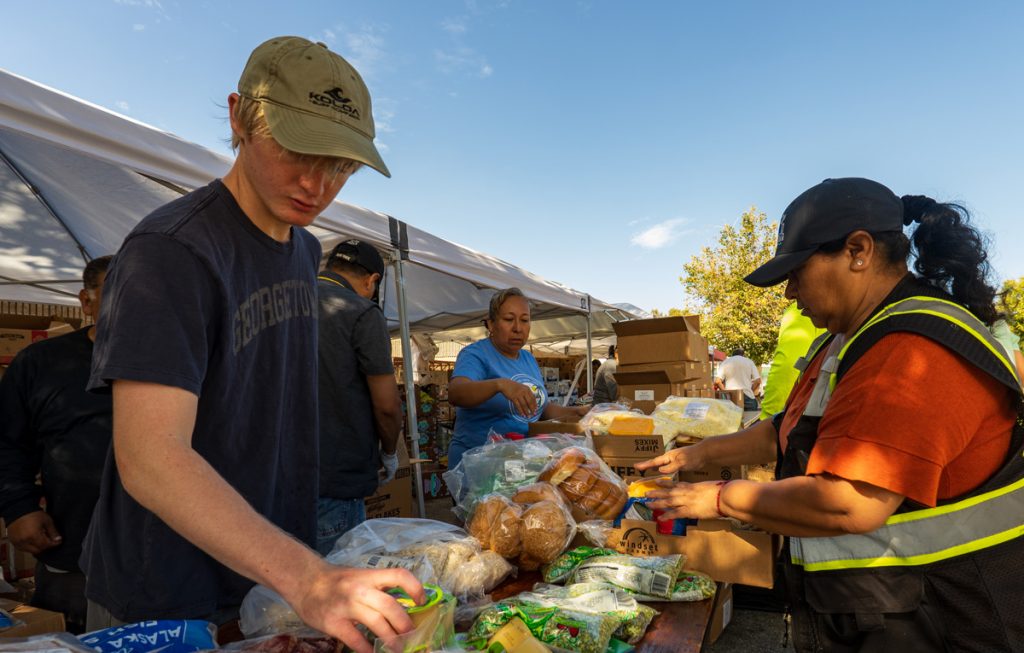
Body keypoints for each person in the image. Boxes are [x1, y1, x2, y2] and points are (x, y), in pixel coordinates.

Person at [79, 36, 422, 651]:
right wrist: (308, 577)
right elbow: (150, 458)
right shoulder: (173, 251)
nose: (318, 182)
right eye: (296, 148)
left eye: (342, 164)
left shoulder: (305, 250)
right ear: (239, 117)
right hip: (168, 592)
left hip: (264, 574)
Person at [637, 177, 1024, 652]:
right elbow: (785, 430)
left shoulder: (909, 349)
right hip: (880, 608)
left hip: (942, 616)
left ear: (857, 251)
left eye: (795, 274)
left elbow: (849, 501)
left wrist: (718, 499)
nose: (789, 294)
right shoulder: (849, 338)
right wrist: (694, 455)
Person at [0, 256, 113, 633]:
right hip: (72, 556)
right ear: (87, 301)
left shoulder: (186, 361)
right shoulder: (41, 363)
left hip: (174, 558)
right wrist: (18, 508)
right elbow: (7, 442)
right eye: (119, 292)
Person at [316, 239, 401, 555]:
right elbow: (387, 406)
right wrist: (390, 453)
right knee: (337, 589)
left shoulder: (285, 300)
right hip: (335, 480)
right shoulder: (362, 312)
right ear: (372, 281)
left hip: (274, 479)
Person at [446, 288, 588, 469]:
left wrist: (577, 412)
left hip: (519, 465)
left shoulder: (528, 358)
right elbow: (456, 393)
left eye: (524, 320)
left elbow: (541, 409)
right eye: (508, 319)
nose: (518, 328)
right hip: (479, 467)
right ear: (491, 324)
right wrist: (500, 385)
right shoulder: (475, 354)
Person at [759, 303, 826, 419]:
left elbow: (788, 367)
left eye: (798, 283)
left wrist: (770, 418)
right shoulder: (858, 317)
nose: (789, 293)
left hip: (805, 418)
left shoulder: (805, 309)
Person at [714, 347, 762, 412]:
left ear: (732, 355)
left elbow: (717, 381)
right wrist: (750, 390)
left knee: (732, 420)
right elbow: (758, 381)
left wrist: (725, 392)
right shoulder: (749, 362)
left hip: (731, 397)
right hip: (748, 396)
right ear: (743, 355)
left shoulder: (726, 362)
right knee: (752, 419)